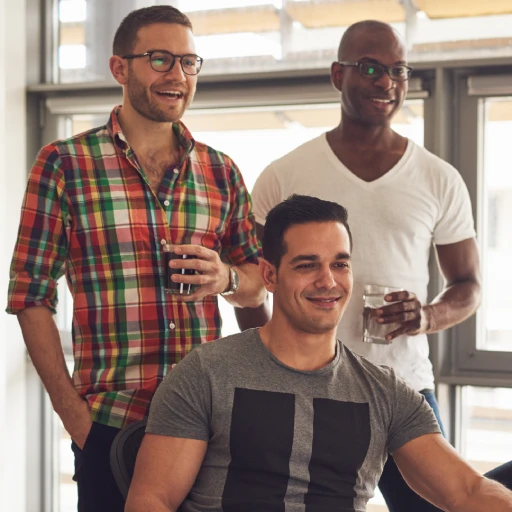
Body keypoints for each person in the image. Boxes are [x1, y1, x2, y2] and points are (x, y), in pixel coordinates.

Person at [6, 6, 265, 512]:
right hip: (110, 424)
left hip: (208, 426)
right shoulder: (64, 164)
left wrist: (226, 277)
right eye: (160, 59)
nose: (178, 76)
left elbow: (257, 282)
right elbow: (29, 294)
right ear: (119, 68)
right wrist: (73, 416)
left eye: (189, 62)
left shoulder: (221, 171)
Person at [125, 194, 512, 512]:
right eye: (307, 265)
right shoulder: (206, 373)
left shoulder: (387, 393)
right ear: (271, 275)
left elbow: (467, 492)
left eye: (340, 264)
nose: (328, 281)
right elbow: (151, 500)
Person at [248, 20, 481, 512]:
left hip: (402, 387)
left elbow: (468, 284)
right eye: (371, 68)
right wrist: (268, 362)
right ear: (339, 75)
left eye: (399, 70)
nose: (387, 82)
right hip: (306, 387)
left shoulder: (438, 178)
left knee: (443, 503)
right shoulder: (284, 175)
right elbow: (253, 282)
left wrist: (427, 316)